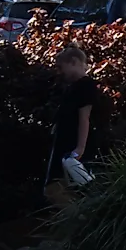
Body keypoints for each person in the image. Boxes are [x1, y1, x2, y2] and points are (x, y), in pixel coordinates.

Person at [48, 45, 99, 189]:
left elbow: (84, 117)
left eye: (61, 67)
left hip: (71, 147)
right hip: (63, 145)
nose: (60, 72)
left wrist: (79, 149)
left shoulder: (86, 86)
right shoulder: (72, 87)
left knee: (55, 189)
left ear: (73, 62)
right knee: (56, 187)